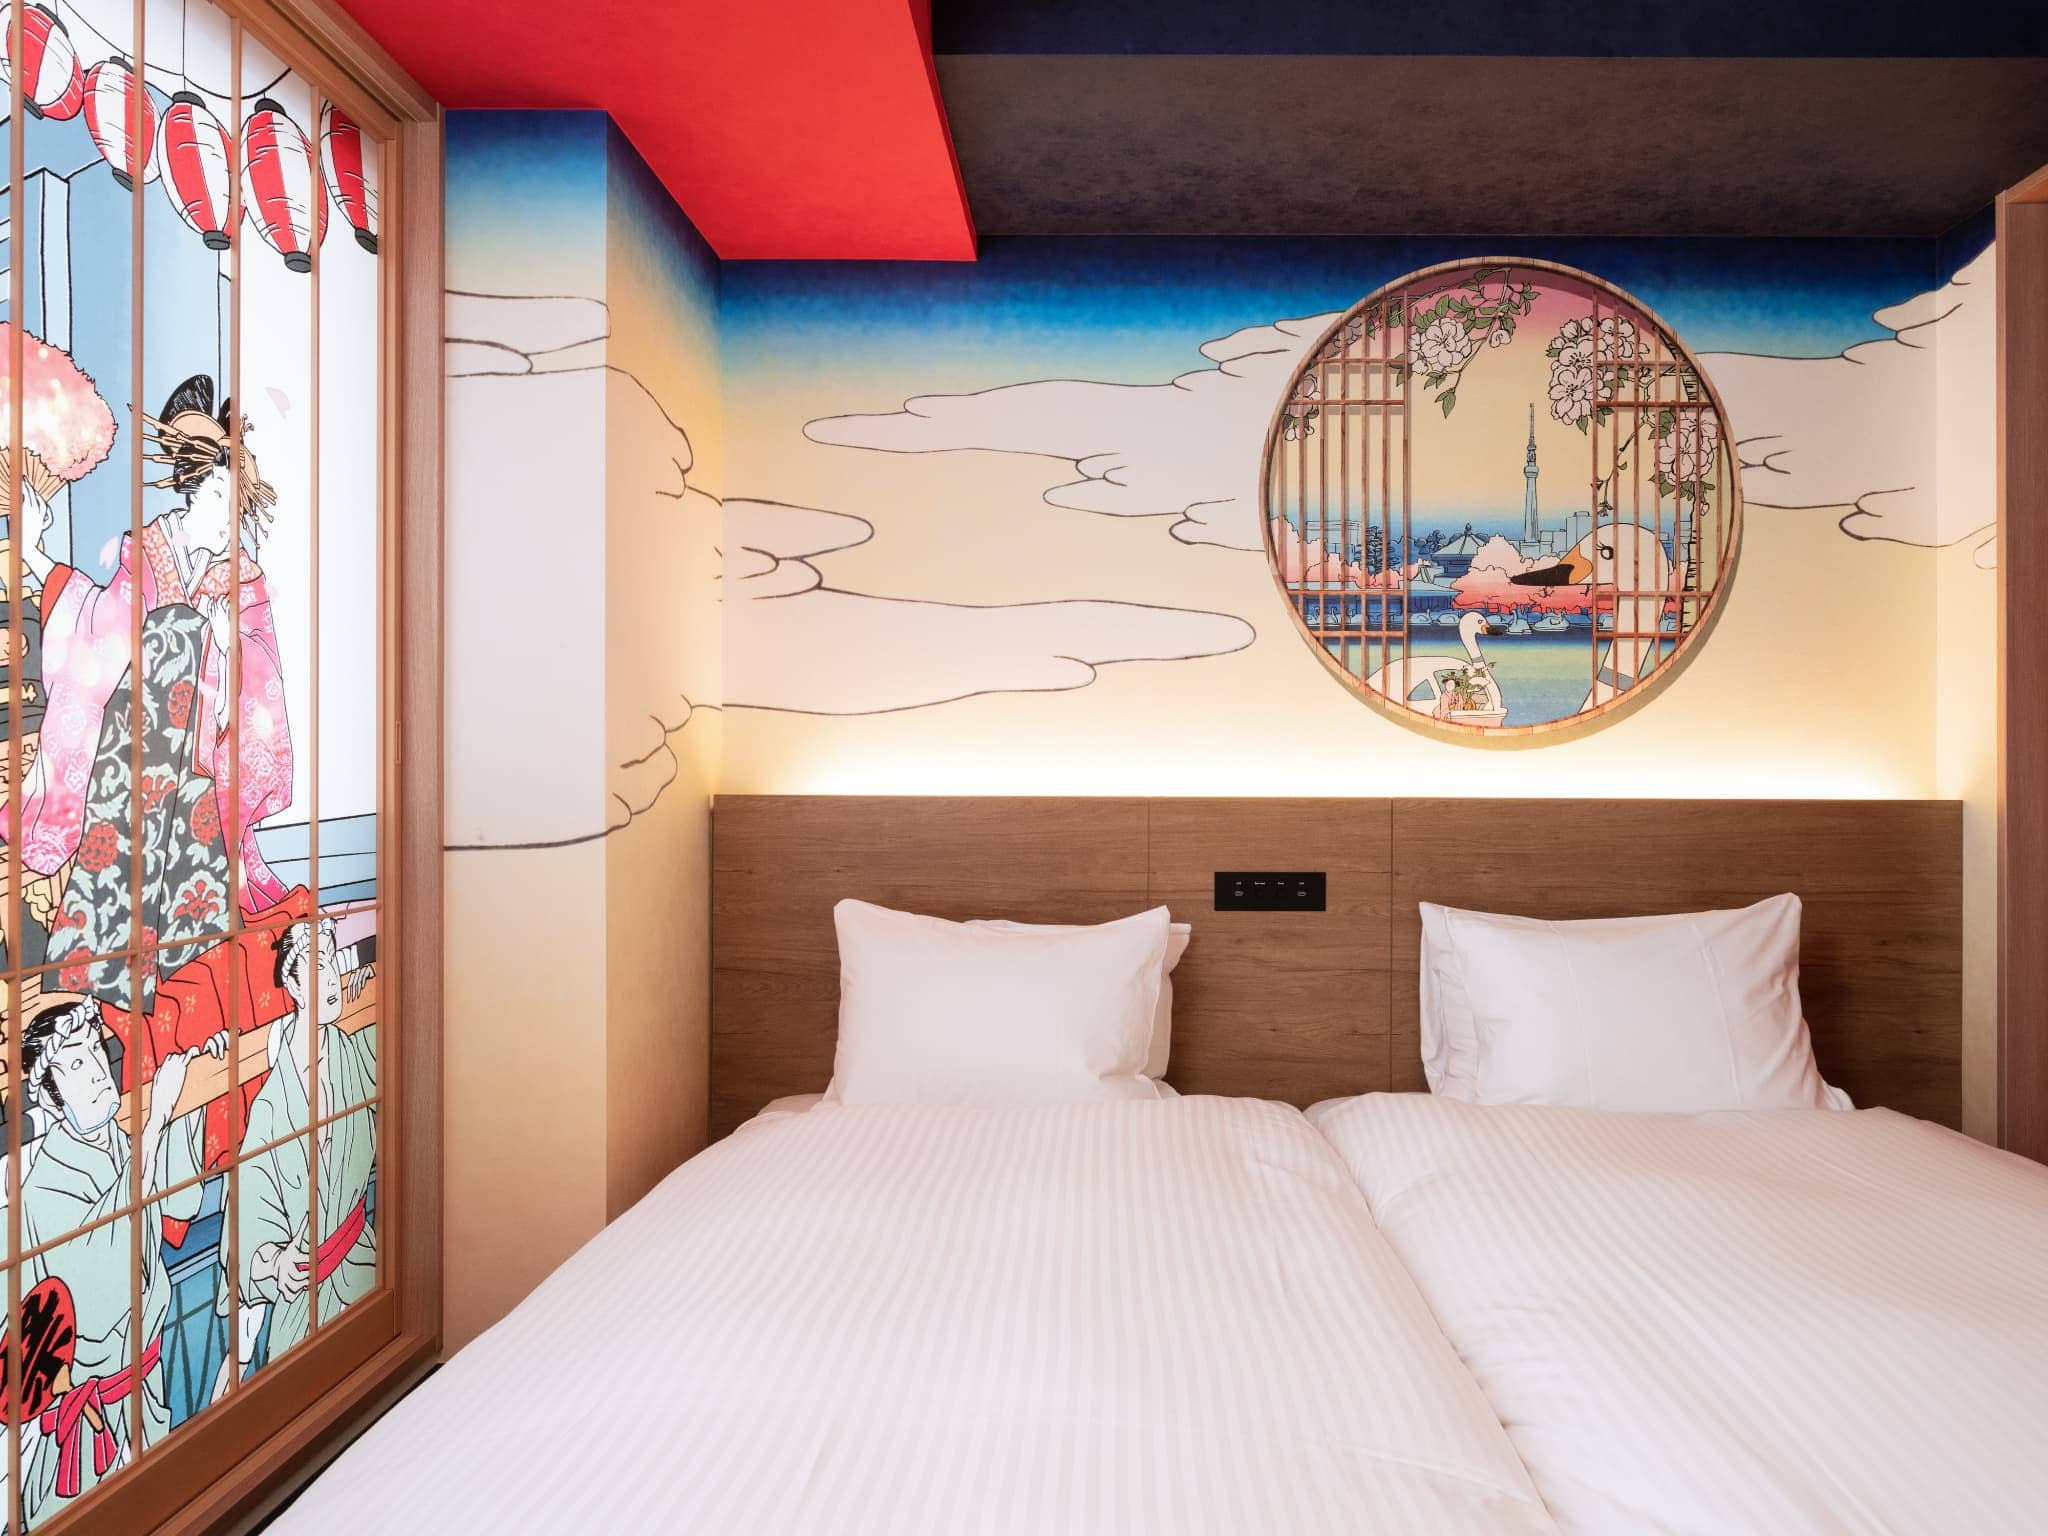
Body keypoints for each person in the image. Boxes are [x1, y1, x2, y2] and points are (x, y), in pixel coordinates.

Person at [13, 373, 291, 935]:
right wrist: (35, 552)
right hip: (144, 757)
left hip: (209, 764)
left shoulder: (242, 580)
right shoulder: (149, 556)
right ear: (192, 488)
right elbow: (98, 631)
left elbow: (263, 681)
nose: (226, 520)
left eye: (234, 506)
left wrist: (227, 650)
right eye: (217, 498)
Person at [16, 998, 227, 1525]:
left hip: (144, 1385)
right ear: (50, 1096)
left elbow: (181, 1203)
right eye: (75, 1063)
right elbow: (101, 1290)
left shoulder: (118, 1143)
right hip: (93, 1415)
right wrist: (155, 1126)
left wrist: (191, 1093)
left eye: (95, 1051)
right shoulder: (43, 1188)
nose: (96, 1071)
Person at [237, 919, 376, 1368]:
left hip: (364, 1269)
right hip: (302, 1307)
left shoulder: (353, 1050)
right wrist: (275, 1263)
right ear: (294, 986)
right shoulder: (269, 1108)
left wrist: (376, 985)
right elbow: (248, 1227)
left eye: (333, 960)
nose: (332, 978)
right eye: (317, 967)